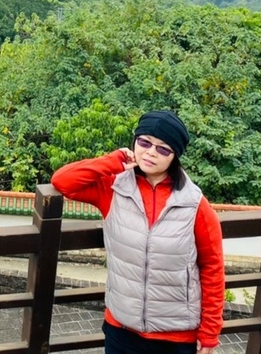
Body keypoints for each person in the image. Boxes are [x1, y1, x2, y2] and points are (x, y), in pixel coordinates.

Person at [51, 110, 224, 354]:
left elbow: (213, 267)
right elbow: (62, 180)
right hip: (122, 328)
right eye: (144, 142)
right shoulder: (114, 188)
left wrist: (209, 333)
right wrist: (114, 160)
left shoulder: (194, 204)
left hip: (176, 336)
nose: (151, 152)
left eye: (163, 149)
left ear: (175, 156)